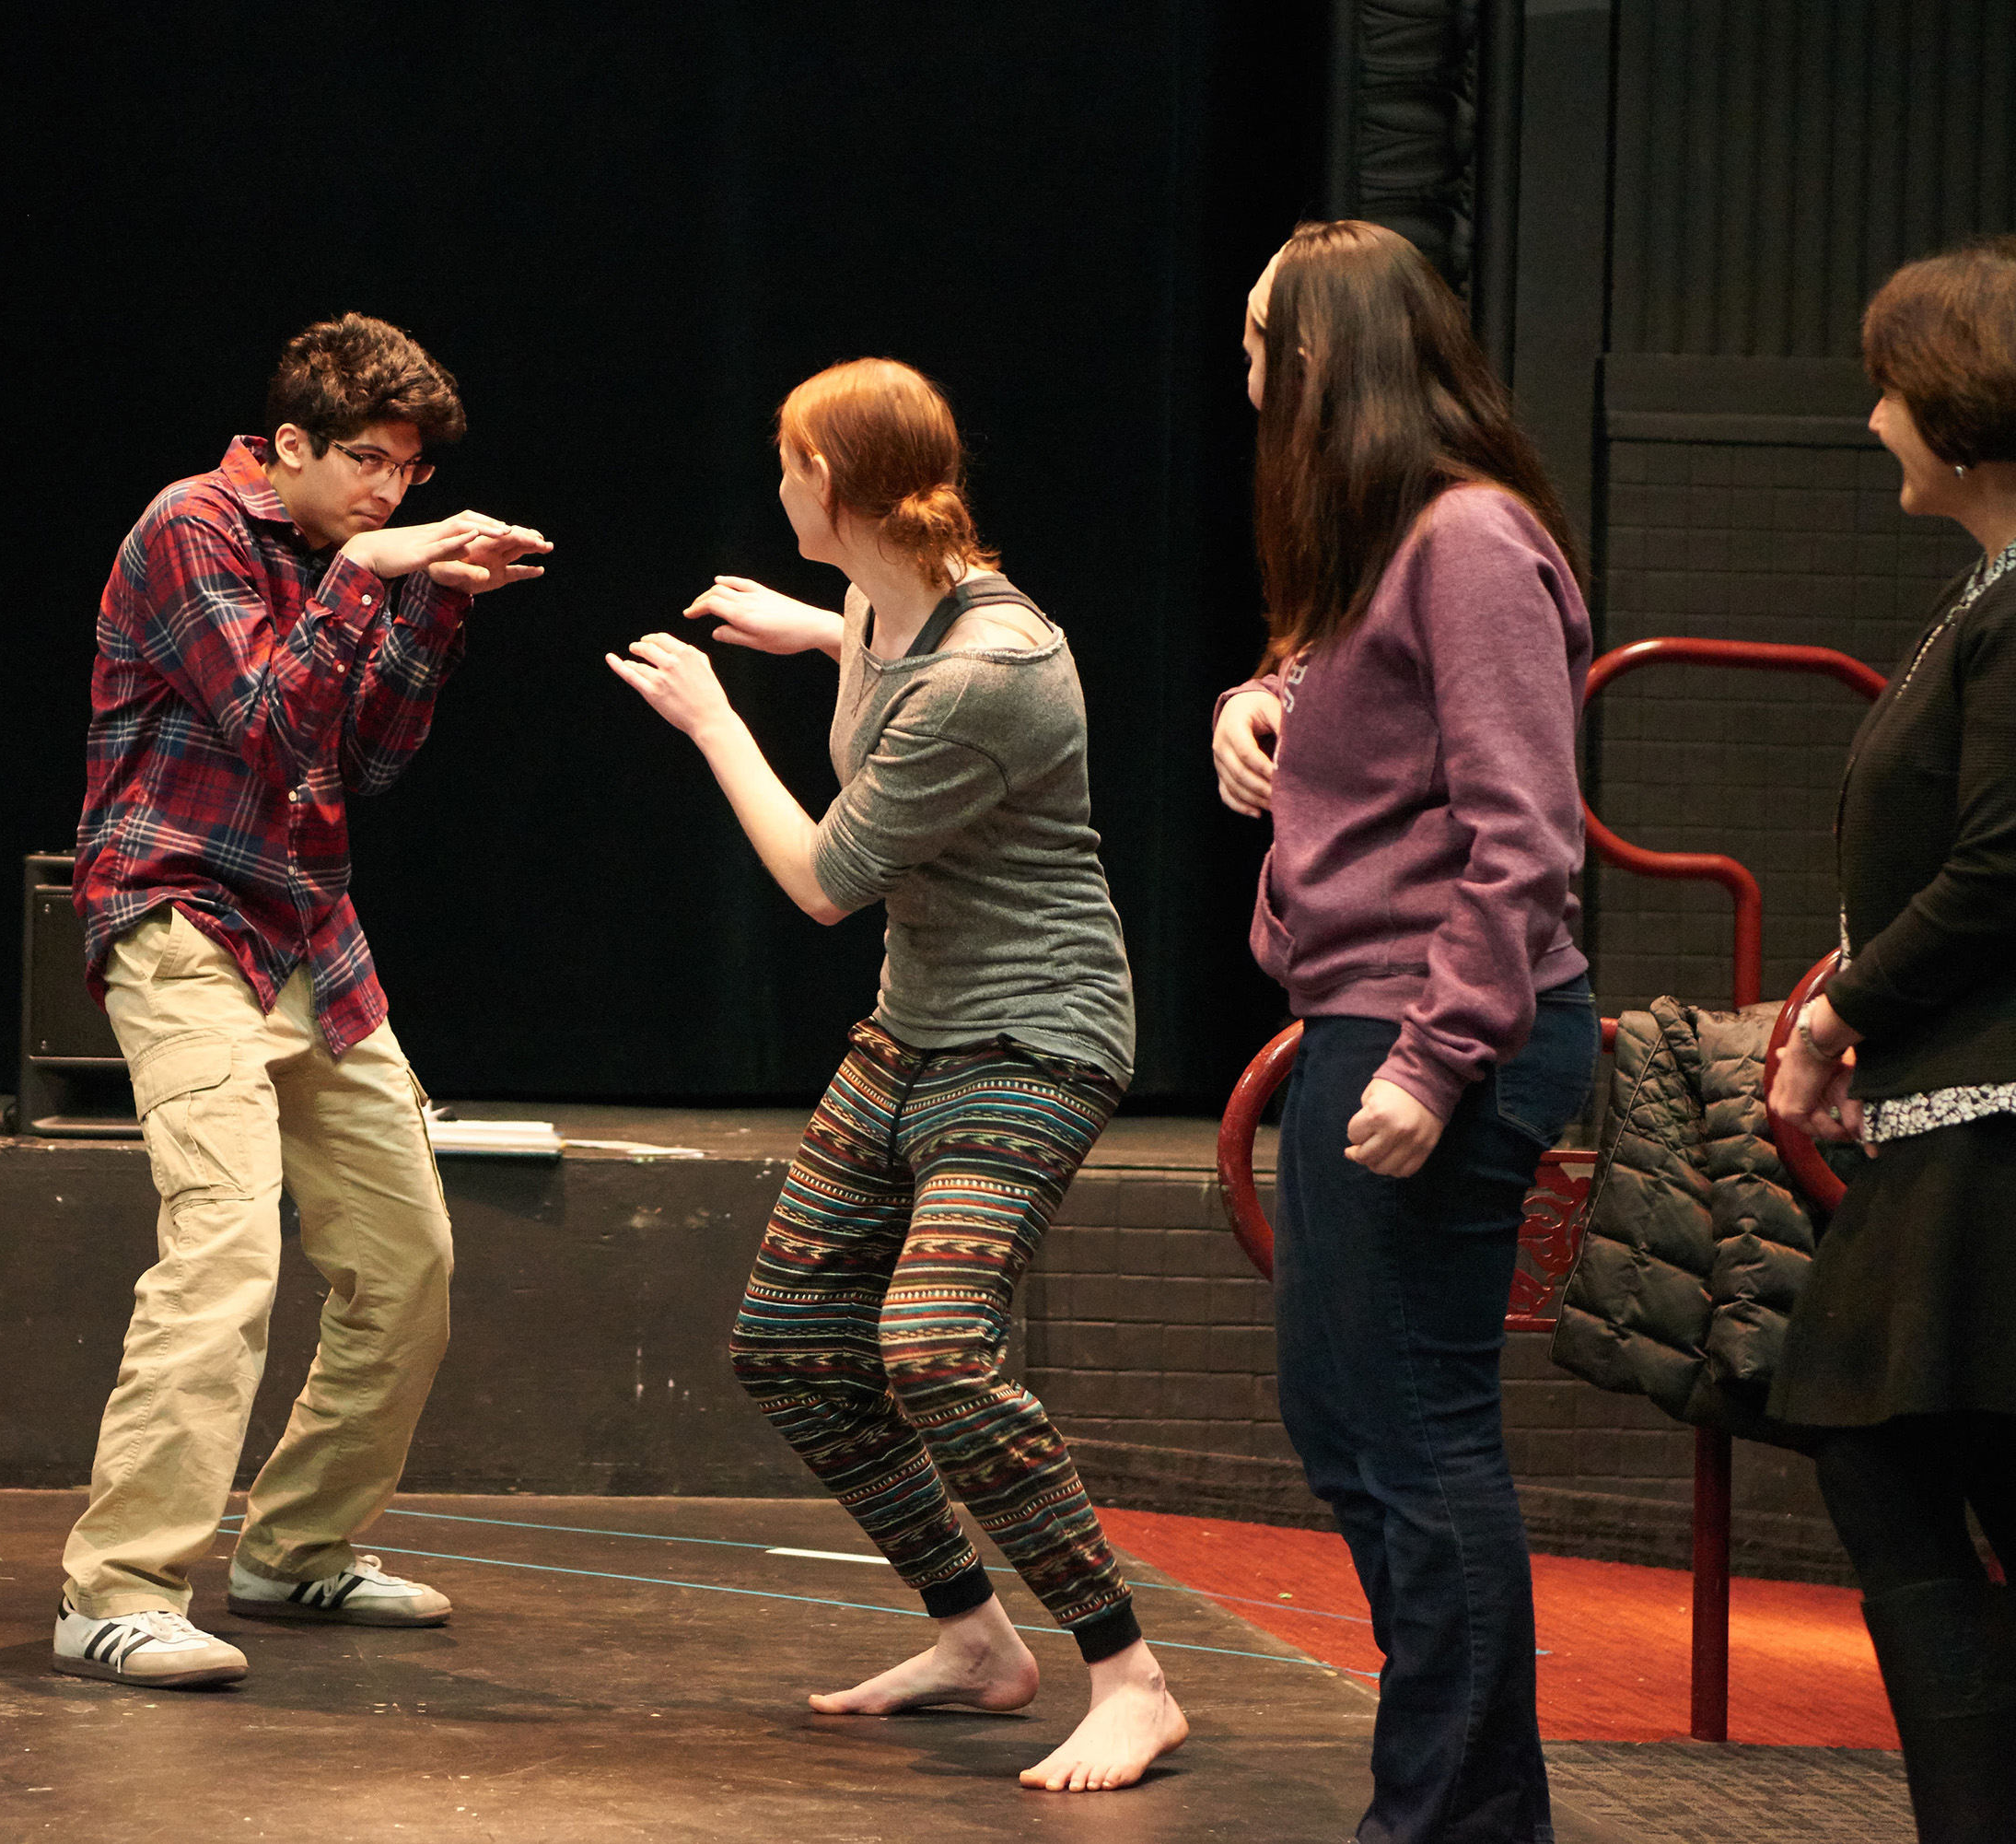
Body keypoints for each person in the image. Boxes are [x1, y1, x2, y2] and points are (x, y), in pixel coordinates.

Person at [608, 356, 1185, 1794]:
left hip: (1035, 1033)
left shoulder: (995, 672)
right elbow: (883, 634)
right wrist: (804, 628)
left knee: (929, 1347)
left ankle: (1133, 1674)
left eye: (792, 460)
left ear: (843, 489)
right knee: (791, 1338)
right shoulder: (886, 589)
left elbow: (820, 878)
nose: (779, 479)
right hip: (919, 1023)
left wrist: (715, 717)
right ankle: (980, 1641)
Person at [54, 313, 551, 1689]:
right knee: (223, 1245)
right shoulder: (190, 526)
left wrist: (435, 594)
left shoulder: (359, 558)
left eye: (410, 473)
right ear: (290, 447)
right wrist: (375, 574)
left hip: (308, 933)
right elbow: (267, 722)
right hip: (178, 915)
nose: (394, 494)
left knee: (408, 1263)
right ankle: (114, 1586)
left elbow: (367, 753)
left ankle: (297, 1547)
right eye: (371, 465)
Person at [1208, 221, 1594, 1843]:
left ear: (1316, 360)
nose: (1240, 376)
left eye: (1255, 345)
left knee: (1420, 1435)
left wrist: (1440, 1059)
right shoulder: (1383, 552)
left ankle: (1441, 1814)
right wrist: (1255, 703)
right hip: (1365, 1013)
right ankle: (1481, 1803)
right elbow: (1355, 707)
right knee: (1343, 1422)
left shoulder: (1471, 538)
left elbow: (1529, 835)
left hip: (1445, 1027)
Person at [1769, 234, 2016, 1844]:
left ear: (1956, 404)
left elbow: (2006, 862)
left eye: (1885, 388)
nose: (1870, 420)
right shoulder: (1987, 597)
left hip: (1993, 1137)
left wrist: (1838, 1019)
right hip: (1953, 1121)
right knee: (1892, 1474)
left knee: (1906, 1468)